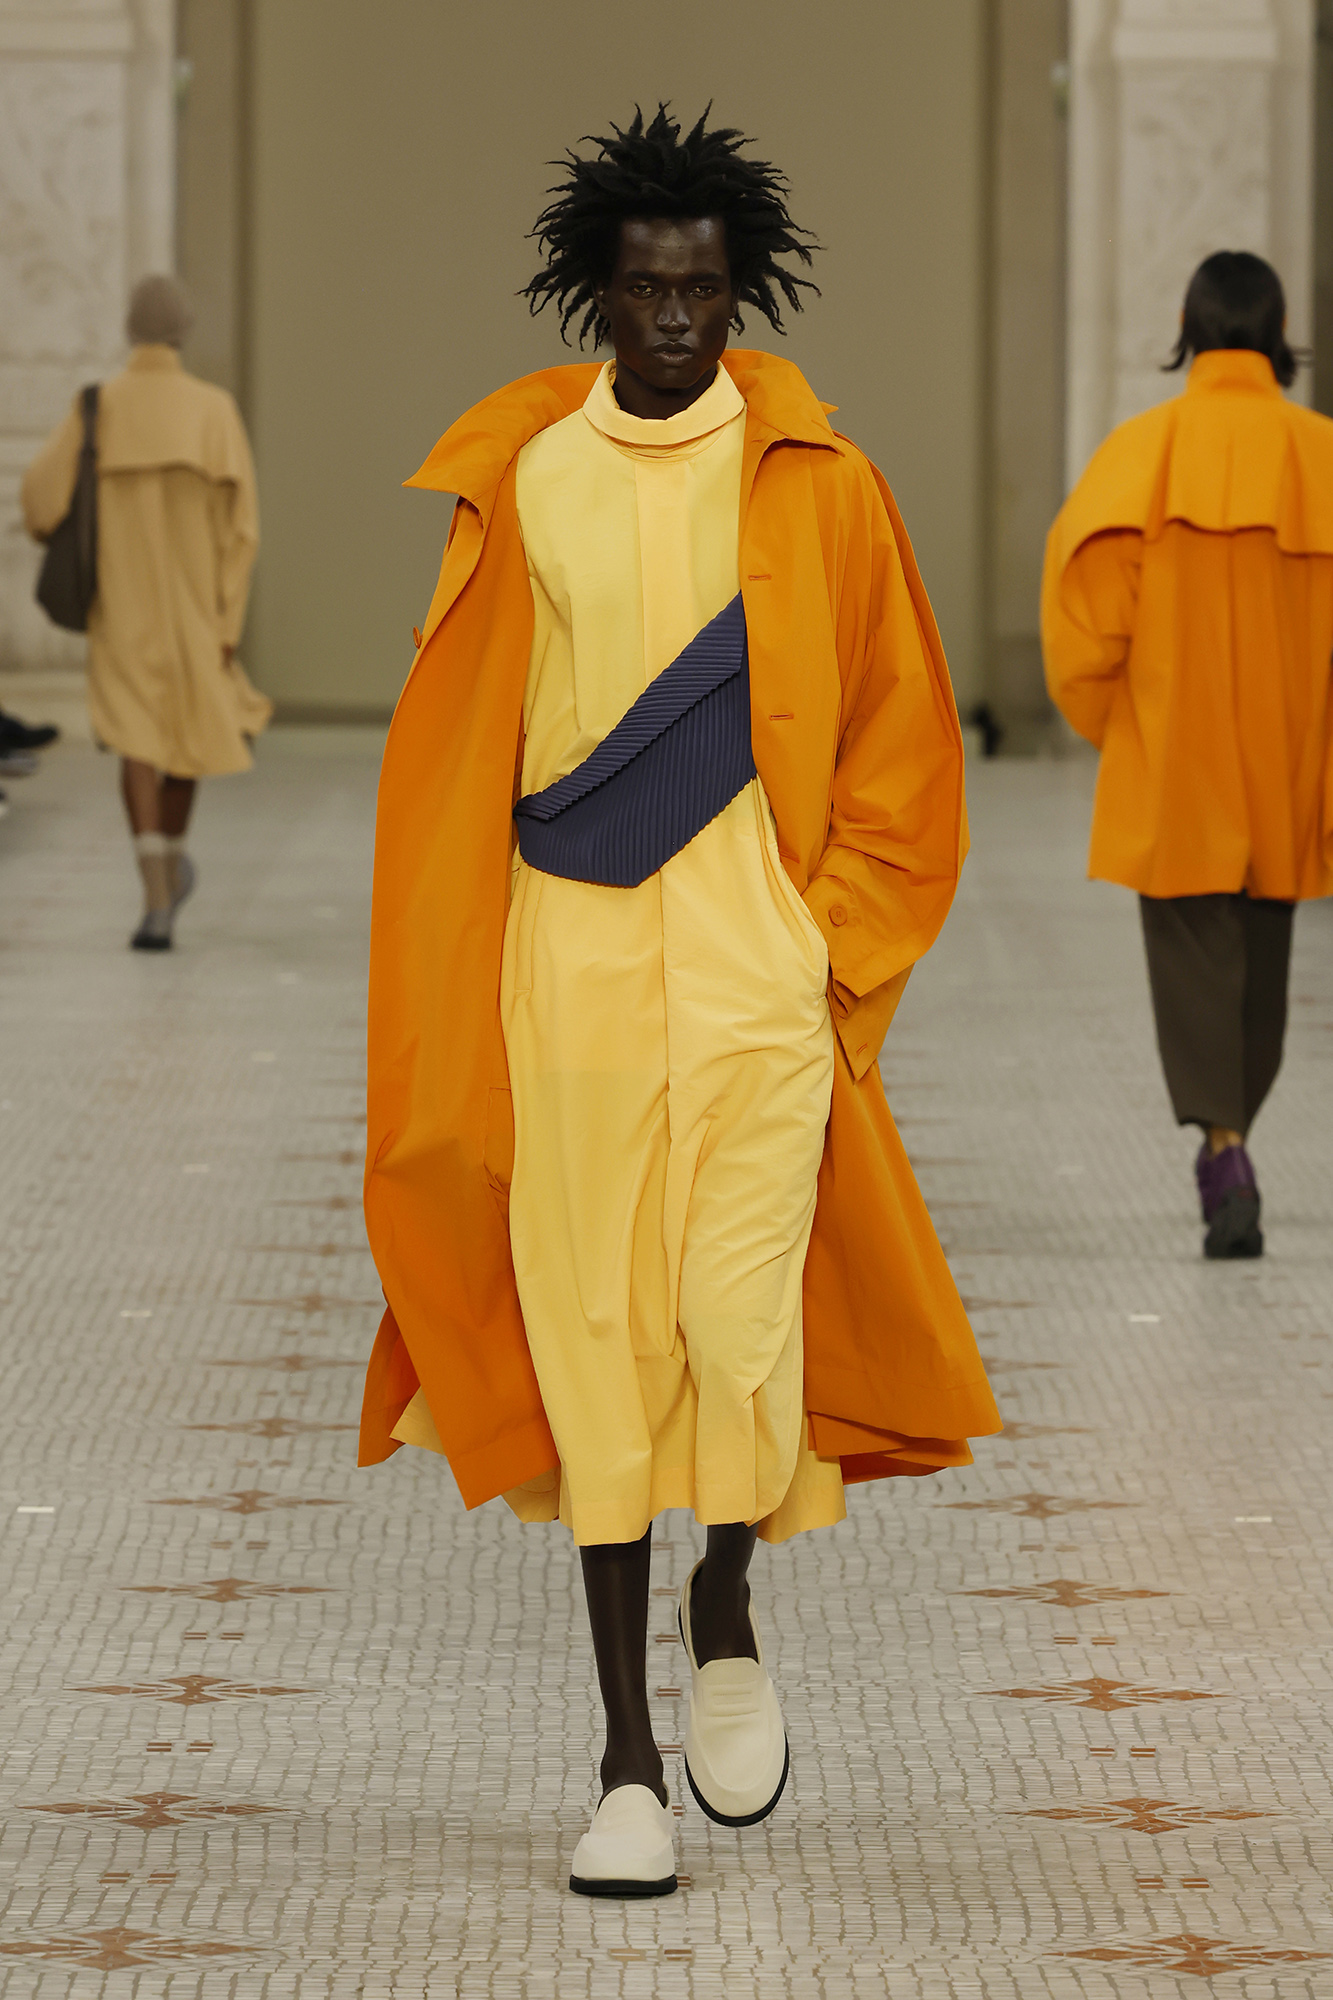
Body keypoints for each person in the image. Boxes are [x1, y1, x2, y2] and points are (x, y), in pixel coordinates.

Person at [358, 106, 999, 1897]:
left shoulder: (823, 487)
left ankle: (725, 1604)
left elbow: (898, 743)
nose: (671, 321)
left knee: (737, 1326)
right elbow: (461, 748)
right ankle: (624, 1762)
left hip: (745, 969)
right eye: (643, 290)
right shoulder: (524, 480)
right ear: (595, 295)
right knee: (589, 1342)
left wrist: (823, 951)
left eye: (702, 292)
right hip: (561, 962)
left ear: (742, 295)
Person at [1042, 251, 1333, 1259]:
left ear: (1188, 325)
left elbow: (1084, 625)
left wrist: (1115, 723)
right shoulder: (1320, 456)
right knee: (1263, 947)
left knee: (1191, 948)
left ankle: (1223, 1143)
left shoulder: (1140, 453)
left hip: (1176, 750)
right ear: (1278, 329)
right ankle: (1235, 1133)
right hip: (1287, 754)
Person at [21, 275, 270, 950]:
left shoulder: (98, 406)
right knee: (187, 738)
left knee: (135, 742)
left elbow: (40, 499)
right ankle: (171, 873)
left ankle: (155, 894)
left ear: (132, 330)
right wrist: (227, 621)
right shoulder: (212, 410)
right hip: (197, 610)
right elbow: (243, 528)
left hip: (120, 604)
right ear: (182, 331)